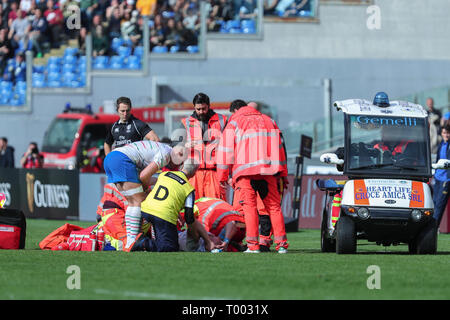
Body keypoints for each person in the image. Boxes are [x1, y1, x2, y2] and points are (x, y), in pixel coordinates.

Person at [217, 99, 289, 253]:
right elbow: (280, 148)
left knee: (249, 208)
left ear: (237, 110)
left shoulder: (235, 122)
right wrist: (283, 174)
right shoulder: (269, 121)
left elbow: (225, 152)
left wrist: (222, 176)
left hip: (245, 172)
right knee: (274, 208)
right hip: (268, 171)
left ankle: (252, 246)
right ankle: (282, 245)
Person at [103, 140, 187, 251]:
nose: (176, 168)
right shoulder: (166, 154)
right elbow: (143, 176)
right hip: (121, 159)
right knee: (137, 201)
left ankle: (131, 240)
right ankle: (132, 241)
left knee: (133, 202)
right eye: (179, 164)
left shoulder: (162, 149)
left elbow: (142, 176)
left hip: (112, 158)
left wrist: (156, 183)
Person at [139, 162, 215, 252]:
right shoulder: (189, 189)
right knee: (170, 248)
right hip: (163, 216)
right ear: (194, 174)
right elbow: (189, 217)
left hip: (145, 209)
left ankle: (142, 240)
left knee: (162, 238)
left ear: (181, 167)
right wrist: (194, 236)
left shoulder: (164, 174)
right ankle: (143, 243)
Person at [181, 93, 227, 200]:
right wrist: (185, 146)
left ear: (209, 106)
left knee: (216, 205)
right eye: (198, 109)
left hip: (214, 172)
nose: (201, 112)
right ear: (194, 107)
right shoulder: (186, 123)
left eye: (204, 108)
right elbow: (176, 147)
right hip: (193, 173)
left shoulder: (222, 120)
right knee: (193, 205)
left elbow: (230, 145)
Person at [179, 197, 246, 252]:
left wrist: (225, 241)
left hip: (234, 227)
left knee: (203, 233)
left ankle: (229, 245)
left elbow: (231, 222)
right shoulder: (204, 204)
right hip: (242, 228)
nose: (213, 235)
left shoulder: (198, 211)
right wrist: (226, 241)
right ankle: (233, 246)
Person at [433, 123, 450, 228]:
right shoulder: (441, 145)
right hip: (438, 177)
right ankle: (432, 226)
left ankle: (434, 227)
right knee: (434, 202)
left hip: (447, 179)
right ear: (441, 133)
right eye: (444, 133)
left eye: (448, 133)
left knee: (440, 204)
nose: (446, 135)